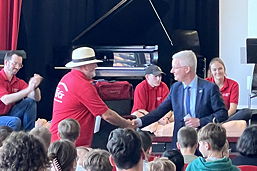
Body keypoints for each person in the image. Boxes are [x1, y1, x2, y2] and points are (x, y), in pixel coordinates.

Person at [134, 50, 228, 148]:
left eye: (175, 67)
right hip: (179, 145)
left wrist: (200, 121)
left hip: (204, 144)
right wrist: (138, 122)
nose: (171, 71)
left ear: (187, 69)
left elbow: (222, 113)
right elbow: (159, 112)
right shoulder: (175, 88)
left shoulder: (209, 88)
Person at [50, 47, 135, 147]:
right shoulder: (82, 85)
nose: (96, 66)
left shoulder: (67, 78)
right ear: (85, 66)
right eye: (93, 63)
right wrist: (127, 124)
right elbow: (107, 115)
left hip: (59, 142)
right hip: (72, 147)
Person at [0, 51, 43, 131]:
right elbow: (6, 100)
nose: (17, 67)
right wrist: (29, 89)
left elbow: (37, 98)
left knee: (30, 101)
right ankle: (15, 143)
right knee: (15, 121)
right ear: (6, 62)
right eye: (15, 63)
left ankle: (29, 136)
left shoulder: (18, 81)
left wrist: (35, 86)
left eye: (20, 65)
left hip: (9, 113)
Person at [206, 57, 252, 122]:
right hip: (210, 118)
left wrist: (221, 119)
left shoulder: (233, 84)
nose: (218, 72)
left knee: (247, 112)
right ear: (211, 72)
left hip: (226, 117)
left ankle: (220, 124)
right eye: (214, 70)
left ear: (224, 69)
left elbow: (232, 109)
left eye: (220, 69)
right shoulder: (206, 83)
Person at [132, 65, 173, 135]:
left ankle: (162, 130)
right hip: (146, 115)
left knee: (175, 116)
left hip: (162, 115)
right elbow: (140, 110)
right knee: (138, 115)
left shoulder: (164, 86)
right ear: (147, 77)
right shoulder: (140, 87)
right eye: (156, 76)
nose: (158, 79)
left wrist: (166, 118)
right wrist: (157, 119)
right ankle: (161, 131)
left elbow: (168, 107)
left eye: (160, 76)